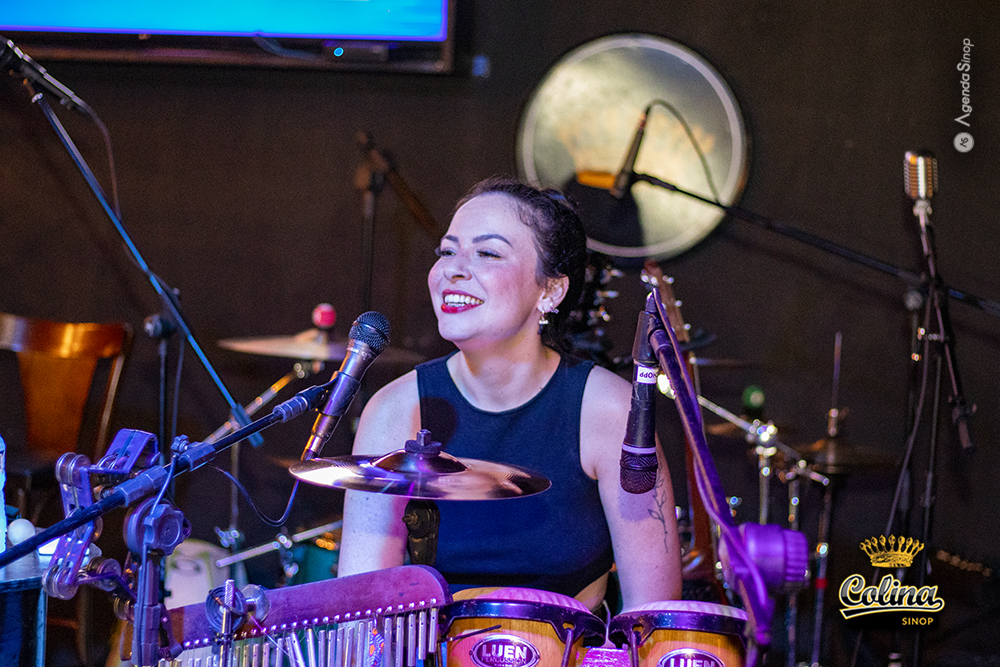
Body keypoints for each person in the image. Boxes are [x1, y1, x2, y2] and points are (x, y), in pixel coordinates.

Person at [338, 176, 682, 611]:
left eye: (488, 253)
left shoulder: (610, 411)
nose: (453, 269)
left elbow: (653, 616)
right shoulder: (395, 410)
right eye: (447, 251)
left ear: (551, 290)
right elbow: (362, 609)